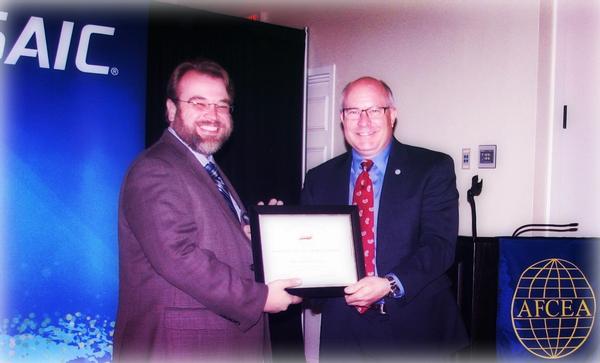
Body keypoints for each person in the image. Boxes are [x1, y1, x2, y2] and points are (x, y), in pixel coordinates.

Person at [113, 58, 302, 362]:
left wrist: (255, 230)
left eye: (222, 105)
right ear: (171, 109)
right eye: (199, 103)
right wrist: (261, 298)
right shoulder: (156, 168)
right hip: (181, 344)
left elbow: (210, 235)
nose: (212, 115)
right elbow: (179, 256)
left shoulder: (204, 166)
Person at [301, 77, 468, 361]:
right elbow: (309, 247)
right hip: (343, 330)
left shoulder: (432, 168)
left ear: (392, 114)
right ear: (342, 119)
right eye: (353, 111)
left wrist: (390, 283)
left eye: (374, 110)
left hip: (415, 327)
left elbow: (439, 245)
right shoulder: (319, 179)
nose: (363, 121)